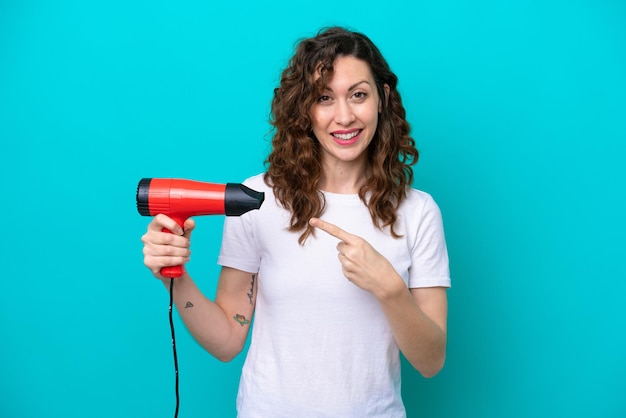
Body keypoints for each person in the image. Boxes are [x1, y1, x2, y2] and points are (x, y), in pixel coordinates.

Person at [141, 26, 450, 417]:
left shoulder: (418, 212)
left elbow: (431, 360)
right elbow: (226, 341)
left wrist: (389, 288)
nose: (344, 116)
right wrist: (175, 276)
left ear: (382, 98)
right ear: (305, 108)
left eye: (358, 94)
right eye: (324, 98)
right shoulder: (255, 201)